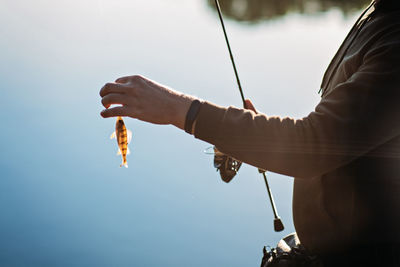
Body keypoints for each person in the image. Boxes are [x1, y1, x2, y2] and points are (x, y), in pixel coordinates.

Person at [100, 0, 400, 265]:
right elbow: (343, 134)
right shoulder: (381, 13)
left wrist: (180, 110)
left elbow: (314, 144)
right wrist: (253, 137)